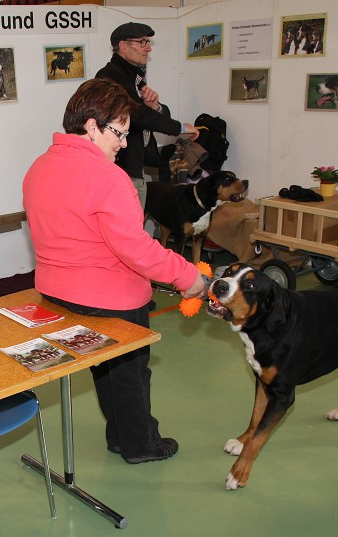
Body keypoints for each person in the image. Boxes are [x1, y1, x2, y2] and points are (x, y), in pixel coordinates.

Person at [22, 78, 205, 464]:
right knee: (130, 373)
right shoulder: (108, 177)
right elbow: (136, 248)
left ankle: (119, 435)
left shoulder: (38, 167)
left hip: (58, 295)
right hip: (110, 297)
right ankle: (139, 444)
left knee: (104, 369)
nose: (123, 143)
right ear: (91, 126)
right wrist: (188, 277)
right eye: (118, 133)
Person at [96, 22, 200, 210]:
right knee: (128, 232)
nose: (148, 48)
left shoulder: (133, 76)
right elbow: (137, 115)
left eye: (148, 42)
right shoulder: (110, 76)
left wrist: (155, 107)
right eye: (142, 42)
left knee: (134, 228)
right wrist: (181, 128)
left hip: (135, 168)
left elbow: (144, 113)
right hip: (121, 171)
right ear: (124, 46)